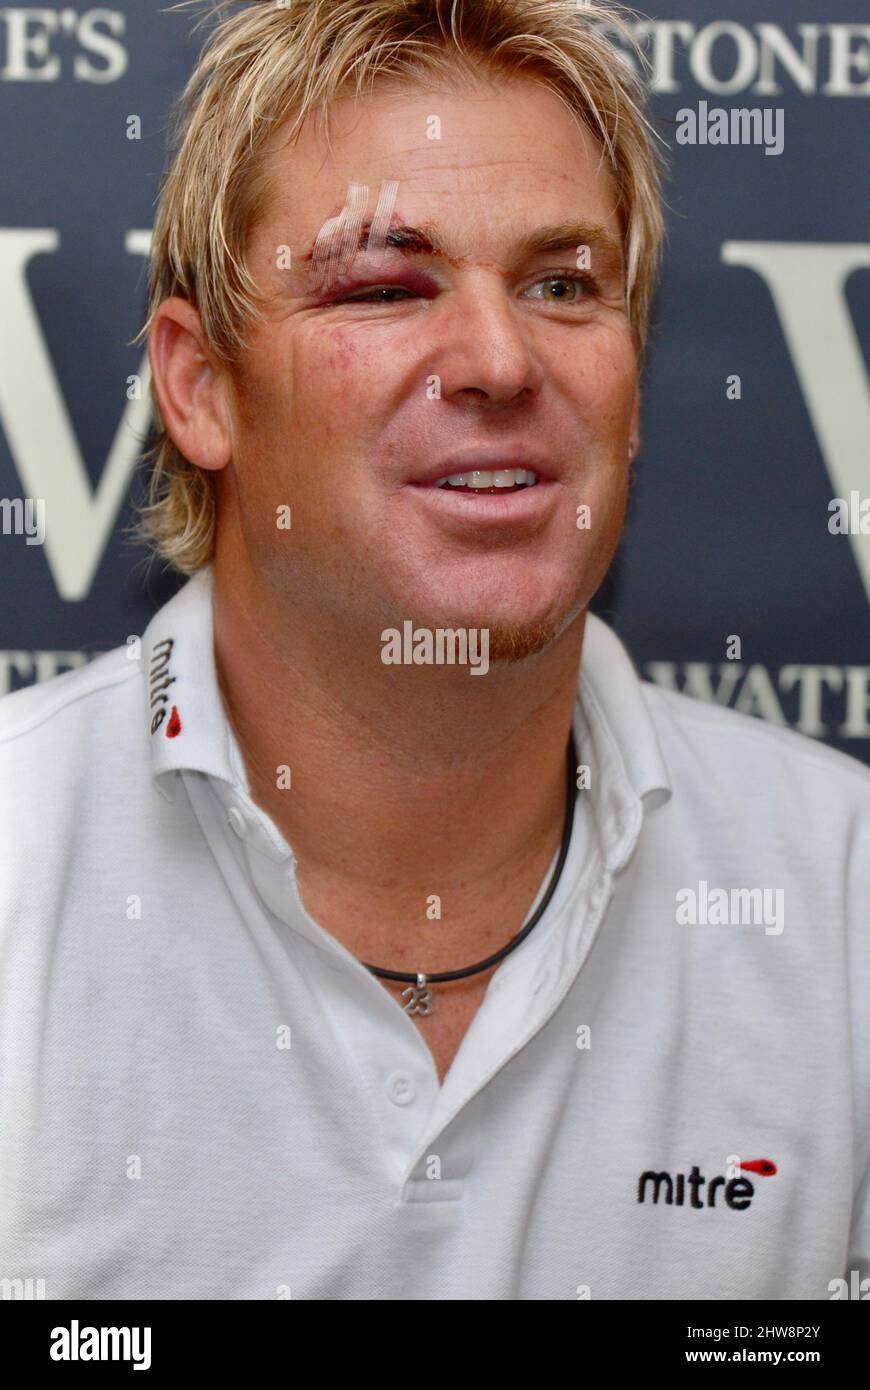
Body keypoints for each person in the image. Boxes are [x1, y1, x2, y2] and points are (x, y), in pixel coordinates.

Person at [0, 0, 867, 1302]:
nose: (500, 358)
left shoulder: (842, 897)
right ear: (200, 389)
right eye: (386, 284)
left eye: (561, 284)